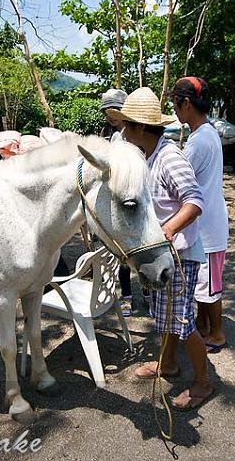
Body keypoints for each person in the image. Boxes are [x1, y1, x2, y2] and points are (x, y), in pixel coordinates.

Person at [108, 87, 214, 410]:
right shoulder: (146, 157)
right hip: (163, 255)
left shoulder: (169, 157)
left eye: (126, 125)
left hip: (181, 254)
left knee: (182, 323)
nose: (122, 131)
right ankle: (167, 364)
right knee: (165, 316)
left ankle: (203, 382)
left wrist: (167, 228)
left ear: (140, 128)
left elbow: (195, 201)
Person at [170, 76, 229, 353]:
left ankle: (217, 333)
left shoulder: (197, 142)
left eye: (175, 103)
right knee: (205, 285)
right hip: (211, 220)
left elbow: (180, 179)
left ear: (186, 104)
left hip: (207, 227)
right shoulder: (206, 133)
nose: (174, 109)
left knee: (208, 287)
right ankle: (205, 328)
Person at [98, 88, 134, 315]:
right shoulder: (112, 136)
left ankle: (149, 295)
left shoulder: (135, 134)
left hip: (133, 198)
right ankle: (127, 296)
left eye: (114, 111)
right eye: (106, 112)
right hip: (118, 198)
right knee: (121, 255)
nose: (110, 116)